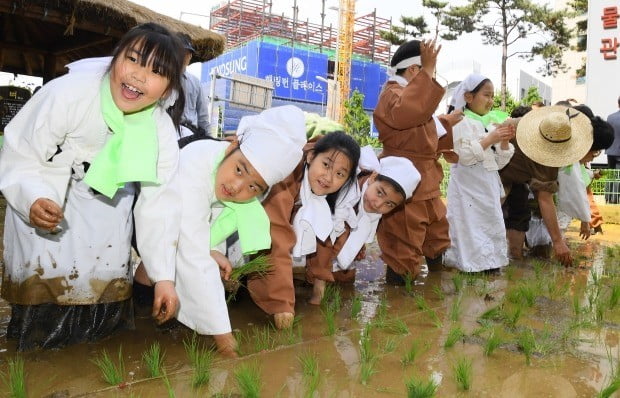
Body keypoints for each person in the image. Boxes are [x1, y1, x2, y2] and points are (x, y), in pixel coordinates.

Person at [0, 23, 185, 350]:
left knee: (100, 297)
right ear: (116, 59)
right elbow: (20, 152)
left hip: (106, 211)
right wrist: (32, 198)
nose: (140, 76)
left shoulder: (160, 131)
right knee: (43, 297)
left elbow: (159, 206)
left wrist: (164, 278)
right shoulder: (67, 93)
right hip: (49, 199)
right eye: (134, 59)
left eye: (156, 71)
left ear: (168, 88)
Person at [135, 105, 307, 356]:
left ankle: (143, 310)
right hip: (142, 208)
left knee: (168, 263)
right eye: (239, 170)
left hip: (174, 220)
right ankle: (140, 311)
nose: (237, 188)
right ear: (232, 145)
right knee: (169, 255)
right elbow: (192, 251)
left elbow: (211, 219)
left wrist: (213, 249)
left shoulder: (221, 170)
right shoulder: (195, 165)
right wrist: (224, 338)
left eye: (253, 187)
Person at [246, 131, 360, 329]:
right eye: (326, 165)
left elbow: (326, 229)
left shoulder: (339, 194)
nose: (328, 177)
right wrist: (282, 302)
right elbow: (275, 234)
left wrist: (320, 278)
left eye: (340, 174)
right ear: (310, 156)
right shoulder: (287, 173)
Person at [372, 38, 460, 283]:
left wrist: (445, 122)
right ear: (413, 70)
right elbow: (408, 115)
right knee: (403, 238)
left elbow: (421, 127)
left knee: (436, 231)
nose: (429, 79)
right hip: (403, 178)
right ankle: (399, 300)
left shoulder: (408, 96)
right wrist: (429, 70)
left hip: (426, 176)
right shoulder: (392, 94)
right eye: (425, 72)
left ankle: (435, 285)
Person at [305, 147, 421, 303]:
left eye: (389, 204)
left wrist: (358, 247)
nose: (378, 204)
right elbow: (327, 236)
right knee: (316, 271)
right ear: (373, 177)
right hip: (306, 224)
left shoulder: (372, 204)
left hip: (332, 237)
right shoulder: (344, 189)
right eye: (380, 192)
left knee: (345, 278)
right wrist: (318, 289)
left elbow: (361, 225)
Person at [500, 105, 593, 266]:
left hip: (515, 180)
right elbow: (545, 199)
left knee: (518, 218)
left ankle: (514, 262)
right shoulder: (543, 156)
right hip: (490, 175)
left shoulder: (522, 125)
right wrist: (558, 242)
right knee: (486, 224)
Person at [443, 74, 515, 273]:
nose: (491, 101)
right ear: (468, 97)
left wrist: (504, 140)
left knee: (491, 223)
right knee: (468, 224)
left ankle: (490, 264)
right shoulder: (458, 122)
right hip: (467, 185)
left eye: (492, 96)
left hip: (488, 185)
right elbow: (461, 156)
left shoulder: (490, 122)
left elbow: (500, 162)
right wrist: (489, 139)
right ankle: (468, 266)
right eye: (486, 95)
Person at [177, 33, 210, 135]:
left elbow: (203, 116)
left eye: (187, 53)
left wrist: (211, 140)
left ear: (190, 56)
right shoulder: (163, 77)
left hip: (191, 132)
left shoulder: (195, 82)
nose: (184, 56)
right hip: (168, 129)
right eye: (180, 52)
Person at [606, 96, 620, 204]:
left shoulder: (610, 117)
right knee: (618, 175)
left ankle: (608, 197)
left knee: (611, 173)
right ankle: (615, 199)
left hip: (610, 150)